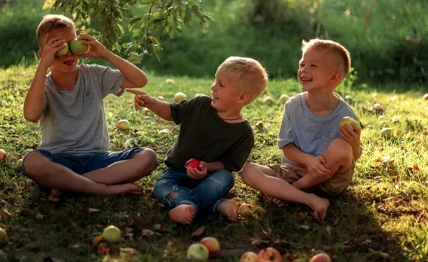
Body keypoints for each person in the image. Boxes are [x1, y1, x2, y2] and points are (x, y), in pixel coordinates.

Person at [21, 14, 157, 198]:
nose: (68, 53)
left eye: (71, 44)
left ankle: (69, 184)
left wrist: (105, 54)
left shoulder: (94, 75)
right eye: (57, 47)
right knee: (32, 162)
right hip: (58, 159)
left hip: (98, 159)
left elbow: (140, 80)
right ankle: (102, 188)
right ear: (43, 54)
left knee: (148, 157)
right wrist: (43, 66)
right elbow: (31, 115)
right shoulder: (43, 86)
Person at [127, 57, 268, 224]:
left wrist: (207, 167)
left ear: (242, 98)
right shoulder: (199, 105)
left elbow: (229, 164)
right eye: (215, 81)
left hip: (210, 178)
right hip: (176, 174)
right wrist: (150, 102)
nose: (213, 87)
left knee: (226, 178)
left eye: (220, 85)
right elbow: (172, 112)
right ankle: (216, 205)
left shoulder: (244, 133)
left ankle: (187, 204)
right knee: (161, 187)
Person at [241, 39, 362, 221]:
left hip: (331, 179)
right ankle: (309, 198)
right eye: (302, 64)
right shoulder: (293, 106)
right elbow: (287, 148)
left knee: (341, 147)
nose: (304, 70)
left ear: (334, 77)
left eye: (313, 66)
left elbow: (353, 155)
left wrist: (354, 142)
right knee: (248, 171)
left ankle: (293, 191)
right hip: (296, 170)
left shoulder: (346, 114)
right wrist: (309, 161)